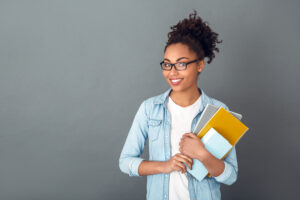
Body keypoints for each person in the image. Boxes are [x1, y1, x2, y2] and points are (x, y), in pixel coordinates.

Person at [119, 10, 238, 200]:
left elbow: (231, 177)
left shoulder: (218, 111)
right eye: (167, 64)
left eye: (181, 64)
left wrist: (202, 154)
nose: (172, 72)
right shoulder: (150, 109)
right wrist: (165, 166)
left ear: (200, 65)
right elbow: (125, 162)